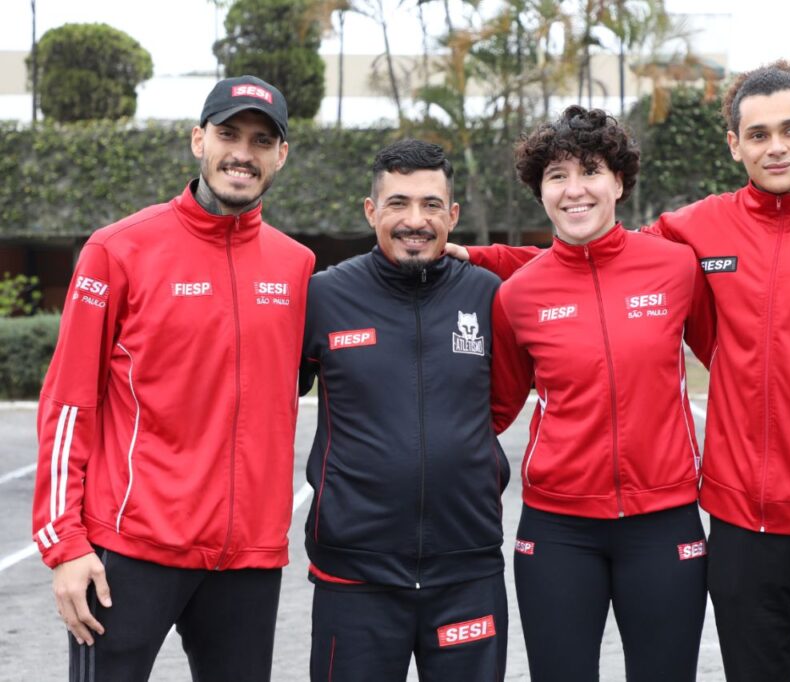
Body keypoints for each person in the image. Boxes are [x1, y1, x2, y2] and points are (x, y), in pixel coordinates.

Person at [454, 61, 790, 682]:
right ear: (734, 144)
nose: (776, 147)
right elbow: (594, 259)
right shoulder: (694, 229)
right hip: (745, 525)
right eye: (758, 134)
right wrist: (479, 259)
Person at [30, 75, 314, 681]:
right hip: (129, 550)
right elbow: (68, 403)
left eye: (262, 140)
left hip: (248, 559)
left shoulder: (296, 267)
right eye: (228, 134)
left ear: (281, 156)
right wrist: (65, 546)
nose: (243, 152)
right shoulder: (117, 251)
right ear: (197, 140)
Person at [487, 106, 716, 681]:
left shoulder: (677, 268)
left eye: (590, 170)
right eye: (556, 175)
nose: (574, 189)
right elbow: (493, 410)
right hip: (558, 528)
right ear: (540, 191)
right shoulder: (517, 295)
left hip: (664, 520)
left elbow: (734, 367)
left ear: (618, 180)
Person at [300, 139, 509, 681]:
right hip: (355, 576)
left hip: (467, 570)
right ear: (371, 211)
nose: (414, 220)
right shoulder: (324, 296)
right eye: (397, 203)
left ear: (452, 215)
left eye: (431, 205)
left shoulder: (490, 296)